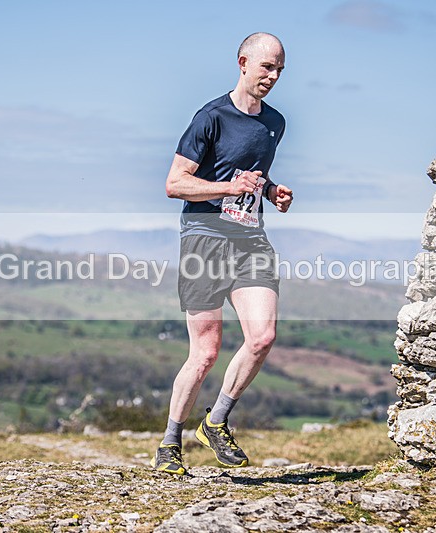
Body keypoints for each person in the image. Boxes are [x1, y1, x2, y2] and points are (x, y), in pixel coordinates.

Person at [153, 32, 294, 475]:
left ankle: (215, 422)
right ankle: (170, 442)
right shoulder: (210, 117)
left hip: (250, 239)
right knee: (205, 352)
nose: (273, 77)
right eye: (267, 67)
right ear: (243, 63)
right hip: (205, 238)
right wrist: (227, 187)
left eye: (280, 70)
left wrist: (271, 191)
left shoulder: (275, 122)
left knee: (262, 337)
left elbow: (252, 174)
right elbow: (175, 183)